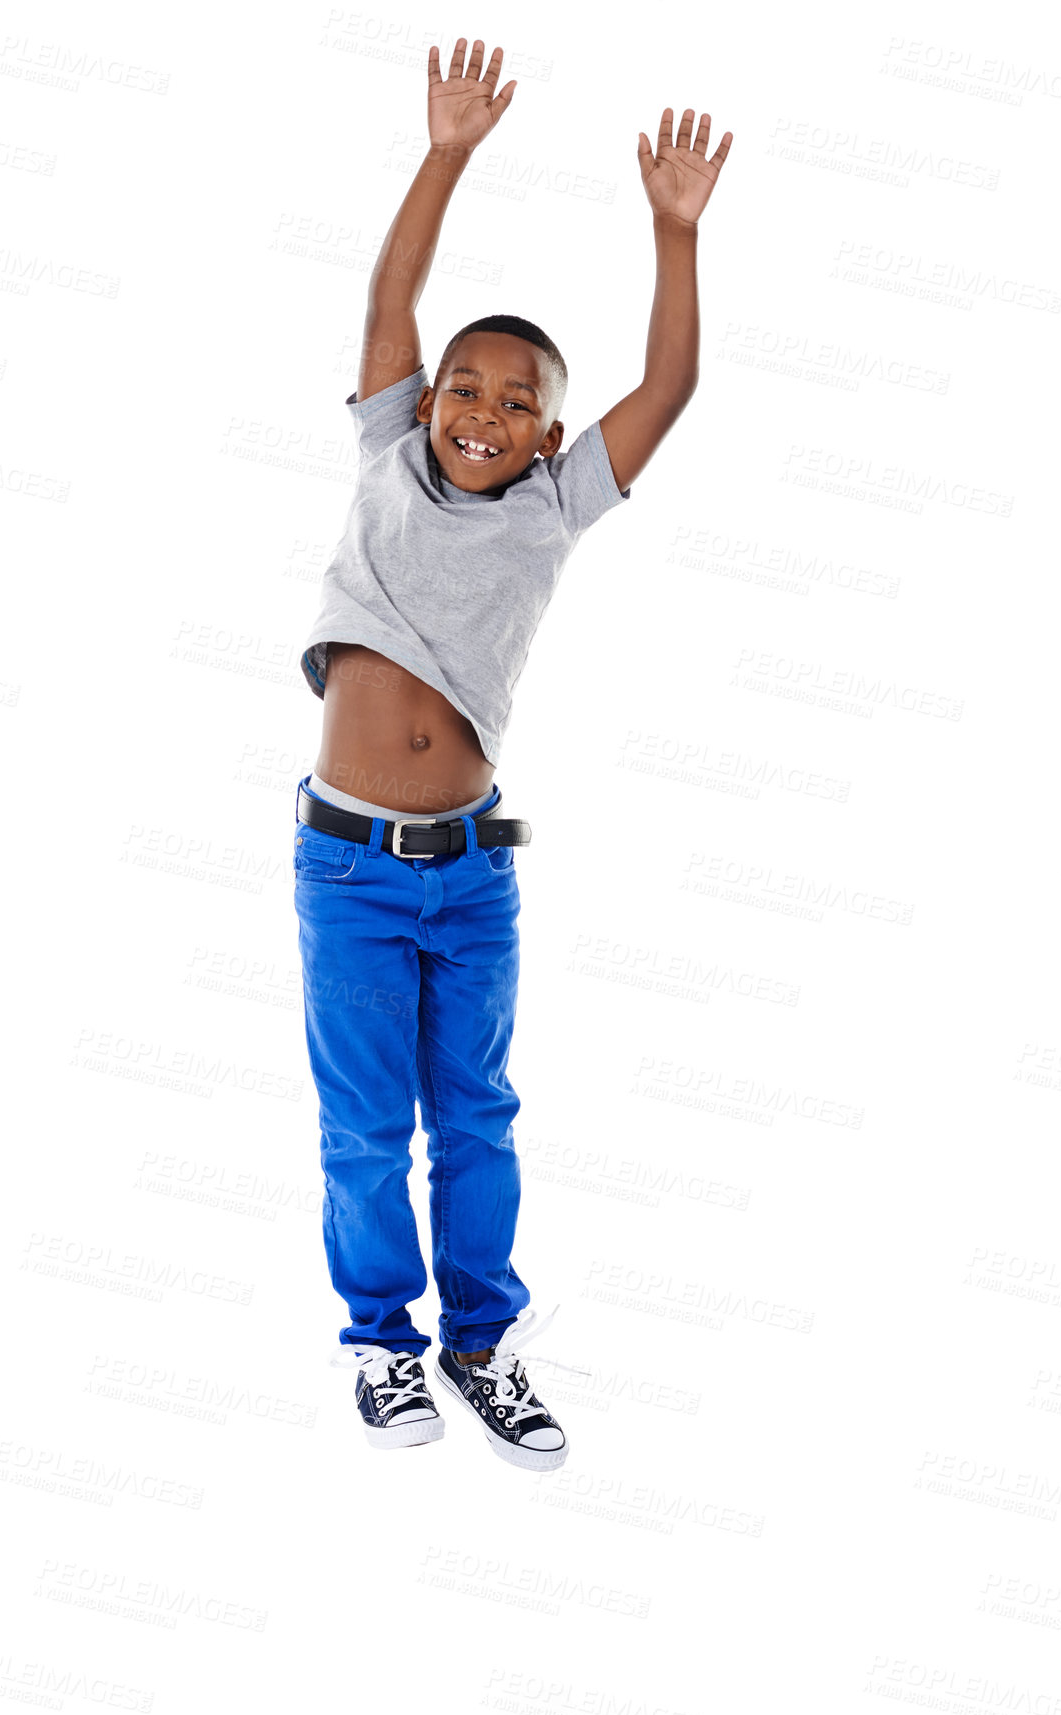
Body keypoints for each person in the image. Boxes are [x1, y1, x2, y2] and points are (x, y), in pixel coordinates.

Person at [291, 37, 732, 1470]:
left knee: (474, 1119)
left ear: (547, 434)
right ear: (426, 401)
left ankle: (483, 1344)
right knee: (368, 1130)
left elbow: (665, 388)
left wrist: (673, 234)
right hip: (350, 864)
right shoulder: (381, 454)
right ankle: (382, 1345)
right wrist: (449, 151)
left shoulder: (551, 508)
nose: (481, 408)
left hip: (471, 875)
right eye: (462, 387)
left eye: (515, 397)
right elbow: (389, 299)